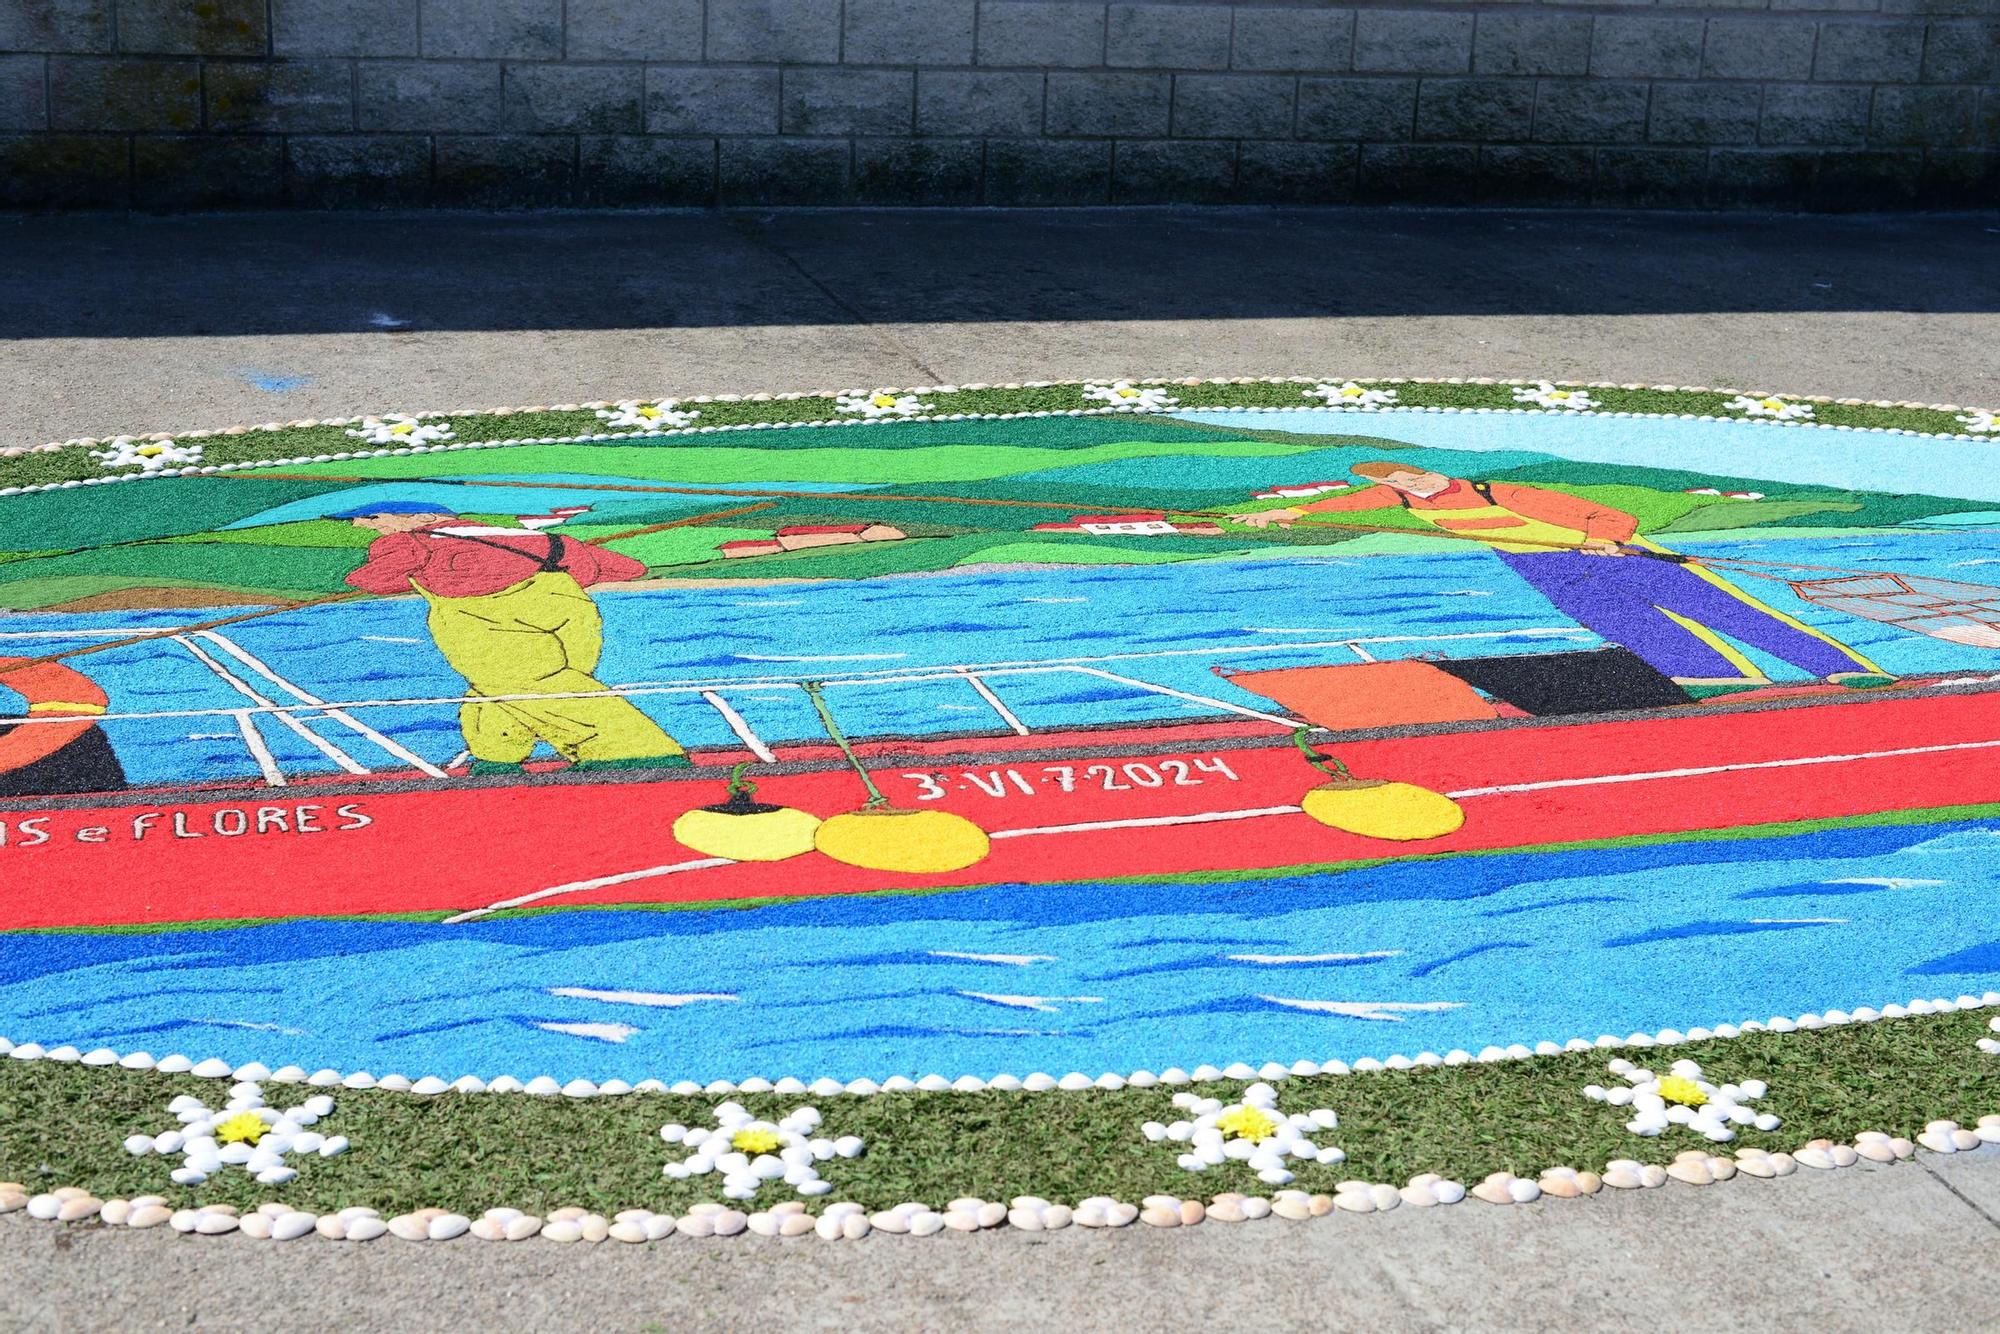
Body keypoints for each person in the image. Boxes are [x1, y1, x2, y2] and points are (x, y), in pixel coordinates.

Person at [1236, 462, 1890, 692]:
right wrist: (1288, 513)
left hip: (1617, 552)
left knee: (1732, 614)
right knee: (1629, 627)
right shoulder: (1405, 501)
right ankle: (1718, 683)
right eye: (1400, 486)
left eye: (1414, 478)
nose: (1413, 488)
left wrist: (1603, 540)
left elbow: (1612, 515)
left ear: (1433, 474)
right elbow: (1351, 503)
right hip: (1544, 568)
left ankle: (1844, 670)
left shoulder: (1504, 492)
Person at [335, 501, 686, 774]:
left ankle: (638, 753)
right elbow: (627, 568)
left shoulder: (406, 543)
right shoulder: (534, 538)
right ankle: (497, 758)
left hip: (486, 617)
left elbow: (373, 580)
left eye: (373, 518)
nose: (362, 526)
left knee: (529, 686)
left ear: (424, 518)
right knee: (513, 688)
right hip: (570, 611)